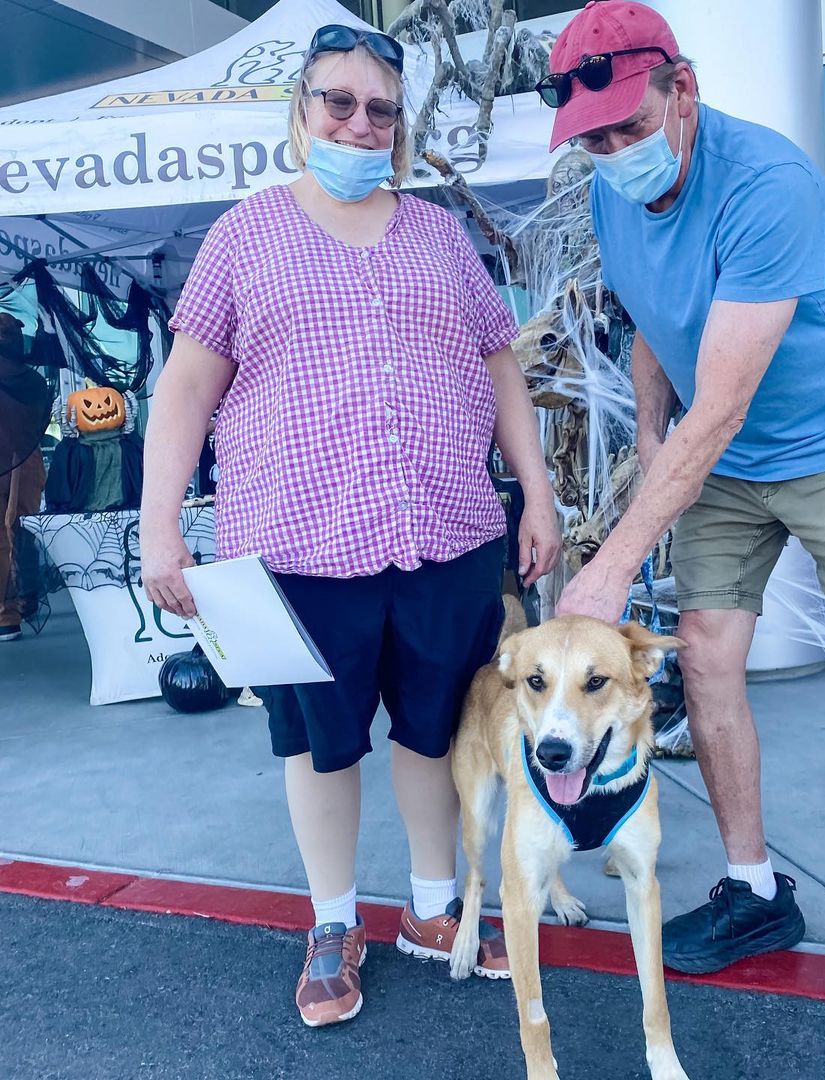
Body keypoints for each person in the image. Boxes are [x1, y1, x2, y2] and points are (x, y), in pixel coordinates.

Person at [542, 1, 825, 1048]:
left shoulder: (767, 186)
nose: (613, 153)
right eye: (593, 138)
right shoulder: (614, 193)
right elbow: (656, 327)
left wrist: (613, 563)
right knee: (705, 660)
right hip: (720, 456)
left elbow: (729, 399)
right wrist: (651, 441)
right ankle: (754, 889)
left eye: (628, 129)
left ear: (682, 92)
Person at [141, 24, 560, 1029]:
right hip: (293, 543)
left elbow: (499, 362)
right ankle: (334, 921)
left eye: (379, 109)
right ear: (301, 111)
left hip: (446, 531)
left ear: (399, 126)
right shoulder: (245, 235)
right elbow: (187, 385)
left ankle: (430, 906)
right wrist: (162, 530)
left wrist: (537, 493)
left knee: (431, 728)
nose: (359, 123)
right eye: (339, 102)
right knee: (319, 745)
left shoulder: (437, 235)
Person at [0, 312, 50, 643]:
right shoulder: (33, 381)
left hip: (13, 462)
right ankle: (21, 602)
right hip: (25, 463)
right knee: (22, 532)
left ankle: (8, 613)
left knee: (8, 537)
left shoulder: (31, 381)